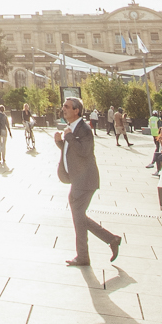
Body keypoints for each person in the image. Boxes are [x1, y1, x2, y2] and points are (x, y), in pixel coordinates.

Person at [54, 97, 122, 266]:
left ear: (77, 110)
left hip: (85, 181)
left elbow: (84, 151)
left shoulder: (84, 129)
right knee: (79, 217)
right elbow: (72, 152)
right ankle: (110, 240)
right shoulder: (72, 129)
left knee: (78, 218)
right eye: (64, 106)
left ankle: (85, 255)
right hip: (78, 180)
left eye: (67, 106)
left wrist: (68, 138)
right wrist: (60, 143)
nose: (63, 109)